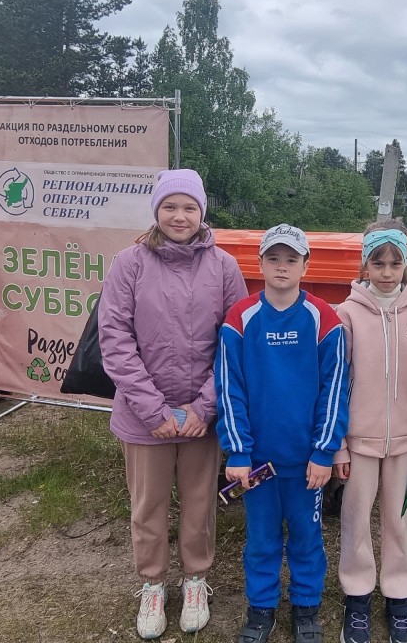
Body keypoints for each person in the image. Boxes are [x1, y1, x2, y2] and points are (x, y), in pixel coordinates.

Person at [99, 169, 248, 640]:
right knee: (148, 505)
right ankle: (152, 584)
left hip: (202, 417)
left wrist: (204, 408)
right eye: (170, 207)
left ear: (202, 211)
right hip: (146, 418)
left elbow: (235, 341)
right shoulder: (129, 263)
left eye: (189, 207)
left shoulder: (224, 266)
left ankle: (196, 579)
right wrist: (154, 410)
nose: (179, 216)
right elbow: (116, 338)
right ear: (156, 212)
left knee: (200, 503)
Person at [216, 223, 349, 643]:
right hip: (257, 463)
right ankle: (261, 608)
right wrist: (237, 452)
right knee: (261, 539)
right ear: (259, 263)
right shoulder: (240, 317)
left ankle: (307, 607)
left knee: (308, 537)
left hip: (306, 461)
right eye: (273, 258)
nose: (282, 266)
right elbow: (228, 387)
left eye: (291, 259)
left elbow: (335, 389)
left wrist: (325, 451)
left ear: (305, 265)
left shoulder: (323, 317)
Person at [333, 219, 407, 643]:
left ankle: (399, 596)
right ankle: (357, 596)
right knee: (356, 519)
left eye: (395, 262)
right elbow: (335, 386)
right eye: (377, 262)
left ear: (406, 264)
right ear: (364, 265)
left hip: (405, 446)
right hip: (358, 444)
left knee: (398, 522)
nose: (386, 271)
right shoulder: (346, 315)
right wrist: (339, 447)